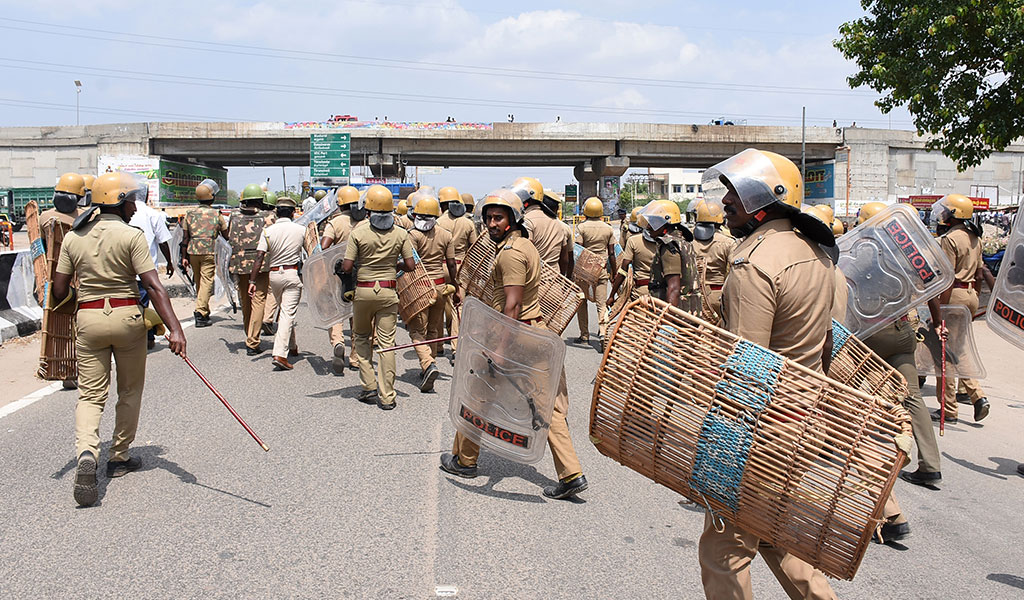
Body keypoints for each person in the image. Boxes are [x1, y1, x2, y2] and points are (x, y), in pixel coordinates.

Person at [698, 148, 838, 599]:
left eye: (735, 194)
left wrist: (718, 443)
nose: (725, 203)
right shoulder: (816, 253)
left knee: (724, 553)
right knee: (781, 541)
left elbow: (748, 366)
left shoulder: (753, 263)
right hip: (804, 421)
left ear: (766, 197)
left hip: (762, 432)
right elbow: (829, 342)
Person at [439, 189, 588, 500]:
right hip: (535, 333)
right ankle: (571, 473)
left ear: (513, 219)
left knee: (477, 396)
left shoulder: (510, 254)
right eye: (489, 217)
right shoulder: (522, 246)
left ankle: (465, 461)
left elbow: (513, 305)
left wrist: (499, 351)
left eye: (499, 218)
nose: (492, 223)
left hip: (514, 334)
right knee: (544, 405)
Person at [51, 171, 186, 507]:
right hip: (127, 319)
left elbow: (58, 290)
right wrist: (175, 329)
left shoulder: (74, 237)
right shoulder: (132, 236)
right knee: (129, 390)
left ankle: (86, 452)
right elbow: (153, 286)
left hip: (88, 319)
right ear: (119, 201)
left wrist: (80, 308)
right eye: (131, 201)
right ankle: (119, 456)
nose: (135, 208)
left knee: (90, 395)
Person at [340, 185, 416, 410]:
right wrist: (393, 263)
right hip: (388, 292)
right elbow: (410, 265)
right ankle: (388, 396)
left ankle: (369, 386)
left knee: (362, 339)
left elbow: (346, 266)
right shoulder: (401, 234)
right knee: (387, 345)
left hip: (363, 292)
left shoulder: (358, 233)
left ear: (368, 210)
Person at [927, 193, 990, 424]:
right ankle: (977, 396)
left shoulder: (950, 239)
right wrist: (975, 298)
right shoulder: (975, 237)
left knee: (944, 353)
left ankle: (949, 409)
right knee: (959, 350)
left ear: (953, 215)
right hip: (971, 294)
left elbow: (946, 276)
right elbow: (981, 272)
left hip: (953, 295)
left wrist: (939, 310)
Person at [407, 193, 458, 391]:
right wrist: (456, 286)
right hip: (440, 287)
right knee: (433, 329)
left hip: (420, 288)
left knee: (416, 330)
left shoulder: (413, 235)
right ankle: (431, 363)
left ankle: (428, 363)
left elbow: (411, 264)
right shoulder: (445, 234)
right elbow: (452, 264)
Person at [250, 196, 305, 370]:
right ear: (293, 213)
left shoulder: (268, 231)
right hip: (292, 274)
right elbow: (312, 254)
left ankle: (293, 346)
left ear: (276, 212)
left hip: (274, 276)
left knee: (285, 311)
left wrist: (252, 280)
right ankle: (280, 354)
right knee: (287, 313)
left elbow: (259, 257)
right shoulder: (301, 230)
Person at [320, 185, 362, 374]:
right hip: (360, 275)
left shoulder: (334, 223)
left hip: (337, 274)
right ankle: (355, 358)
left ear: (340, 203)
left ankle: (337, 341)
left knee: (336, 311)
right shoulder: (364, 223)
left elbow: (324, 246)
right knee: (357, 315)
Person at [227, 184, 272, 356]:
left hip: (239, 264)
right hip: (260, 264)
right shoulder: (268, 217)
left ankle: (249, 334)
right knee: (259, 300)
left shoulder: (233, 216)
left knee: (245, 300)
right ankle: (253, 341)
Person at [129, 193, 175, 350]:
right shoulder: (153, 214)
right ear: (147, 195)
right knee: (143, 305)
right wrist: (169, 262)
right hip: (146, 270)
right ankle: (146, 338)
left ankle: (141, 337)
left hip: (125, 270)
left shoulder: (122, 214)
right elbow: (162, 241)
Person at [437, 187, 478, 363]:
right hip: (461, 268)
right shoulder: (468, 223)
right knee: (457, 307)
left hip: (440, 267)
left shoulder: (438, 222)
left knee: (438, 304)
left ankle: (437, 346)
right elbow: (475, 248)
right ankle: (455, 348)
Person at [179, 179, 226, 328]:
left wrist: (183, 257)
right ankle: (200, 312)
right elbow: (226, 235)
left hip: (193, 251)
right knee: (207, 281)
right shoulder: (216, 214)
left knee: (200, 281)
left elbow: (185, 238)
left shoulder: (189, 214)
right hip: (209, 251)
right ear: (212, 197)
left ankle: (204, 311)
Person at [574, 196, 616, 347]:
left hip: (584, 272)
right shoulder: (608, 228)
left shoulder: (581, 227)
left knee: (582, 302)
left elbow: (578, 250)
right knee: (601, 304)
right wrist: (614, 272)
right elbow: (612, 253)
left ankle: (584, 335)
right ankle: (603, 333)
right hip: (602, 270)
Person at [639, 199, 695, 310]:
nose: (649, 227)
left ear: (666, 222)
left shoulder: (669, 246)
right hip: (684, 310)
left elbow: (674, 287)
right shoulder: (681, 241)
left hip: (674, 315)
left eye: (653, 222)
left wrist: (666, 323)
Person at [515, 177, 573, 277]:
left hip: (532, 285)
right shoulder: (558, 223)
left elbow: (523, 256)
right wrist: (562, 280)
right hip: (554, 285)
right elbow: (565, 260)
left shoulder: (525, 221)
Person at [690, 199, 734, 319]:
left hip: (692, 295)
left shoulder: (687, 240)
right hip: (717, 295)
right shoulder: (728, 242)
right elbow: (732, 271)